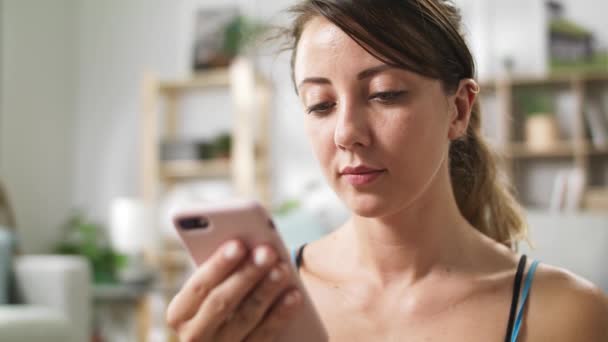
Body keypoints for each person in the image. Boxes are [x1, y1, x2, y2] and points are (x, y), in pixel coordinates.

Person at [166, 1, 608, 341]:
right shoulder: (263, 306)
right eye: (321, 104)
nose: (346, 133)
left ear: (458, 109)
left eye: (385, 94)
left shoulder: (564, 315)